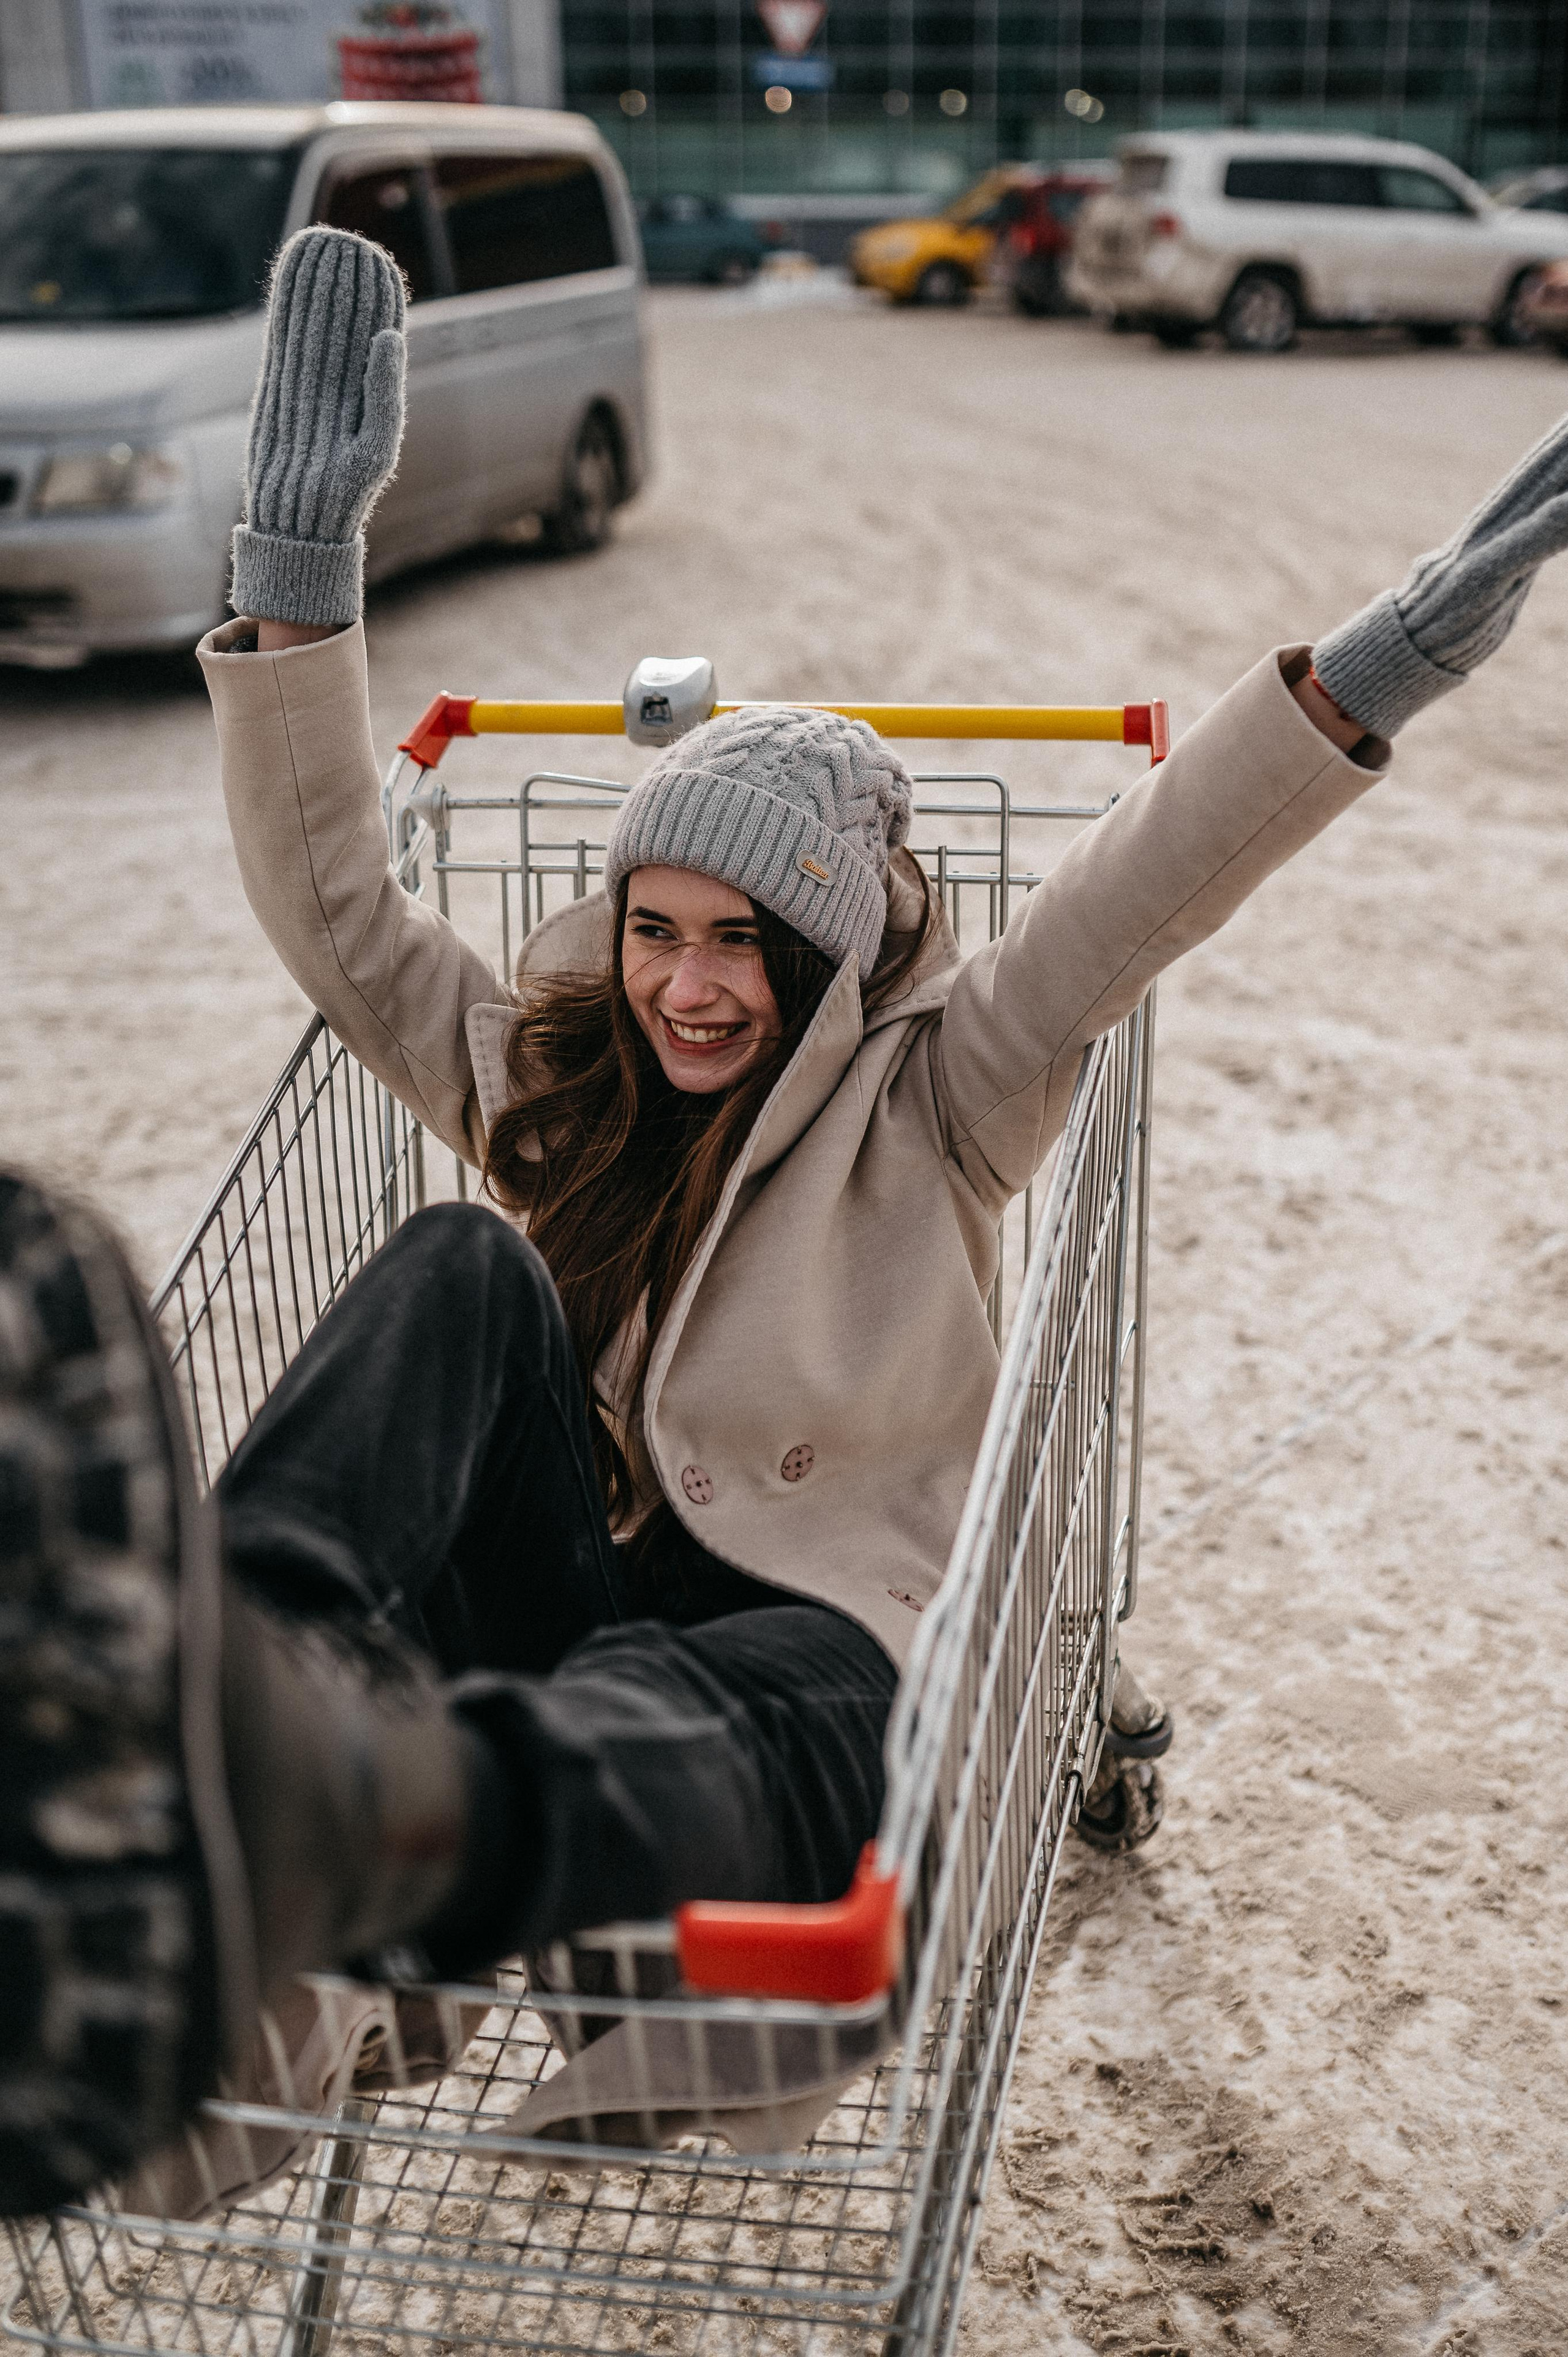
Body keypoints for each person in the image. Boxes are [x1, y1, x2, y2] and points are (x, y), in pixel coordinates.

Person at [5, 221, 1568, 2217]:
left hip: (810, 1673)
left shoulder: (944, 1094)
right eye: (656, 929)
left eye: (746, 945)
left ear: (830, 965)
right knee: (462, 1263)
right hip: (585, 1612)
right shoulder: (564, 1097)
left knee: (659, 1709)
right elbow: (341, 919)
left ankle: (393, 1834)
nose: (687, 987)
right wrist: (299, 575)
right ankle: (218, 1712)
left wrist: (1385, 666)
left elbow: (1146, 883)